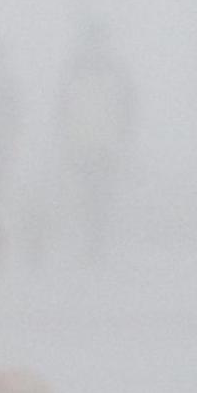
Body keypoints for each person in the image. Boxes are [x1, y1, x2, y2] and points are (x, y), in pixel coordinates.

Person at [58, 22, 140, 264]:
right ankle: (92, 236)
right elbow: (63, 109)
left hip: (106, 144)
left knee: (100, 192)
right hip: (81, 142)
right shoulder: (74, 71)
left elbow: (128, 108)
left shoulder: (116, 72)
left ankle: (96, 238)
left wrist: (123, 137)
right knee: (88, 192)